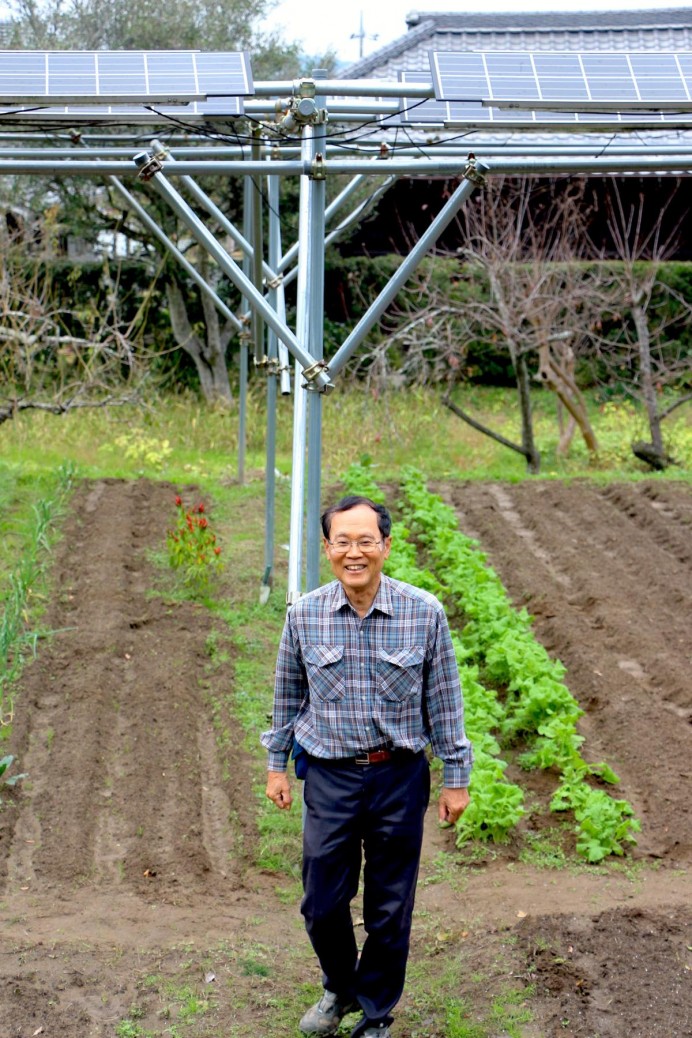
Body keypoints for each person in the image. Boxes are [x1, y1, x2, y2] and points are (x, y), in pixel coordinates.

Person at [261, 495, 472, 1038]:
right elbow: (286, 695)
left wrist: (456, 777)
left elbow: (444, 700)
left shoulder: (424, 613)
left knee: (389, 903)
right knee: (321, 900)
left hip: (398, 776)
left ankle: (376, 1011)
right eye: (342, 542)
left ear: (386, 546)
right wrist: (276, 764)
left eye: (366, 541)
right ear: (327, 548)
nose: (354, 553)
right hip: (329, 775)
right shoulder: (304, 614)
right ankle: (339, 986)